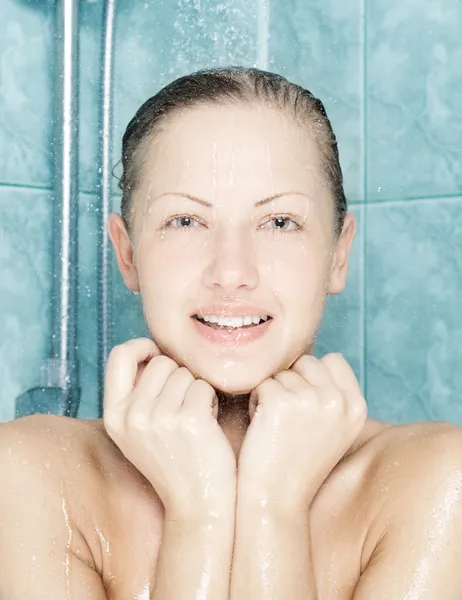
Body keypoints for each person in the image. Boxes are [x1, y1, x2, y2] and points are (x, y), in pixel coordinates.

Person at [1, 66, 462, 600]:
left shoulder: (434, 483)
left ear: (338, 253)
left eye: (280, 222)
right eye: (186, 221)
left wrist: (275, 508)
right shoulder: (32, 476)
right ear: (127, 254)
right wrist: (197, 513)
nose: (232, 271)